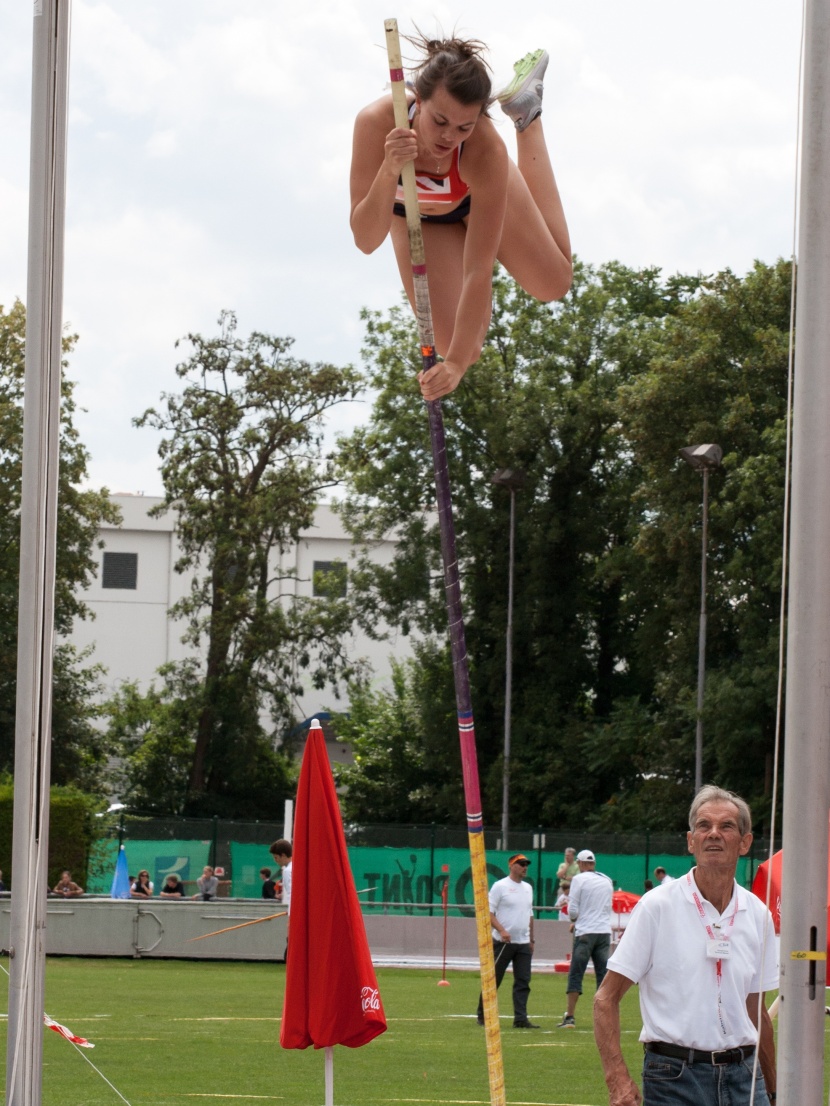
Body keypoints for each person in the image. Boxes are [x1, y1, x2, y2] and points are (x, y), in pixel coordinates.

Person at [350, 34, 571, 402]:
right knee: (464, 347)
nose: (449, 137)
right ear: (418, 100)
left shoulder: (484, 149)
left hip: (471, 199)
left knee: (553, 284)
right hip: (415, 218)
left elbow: (477, 270)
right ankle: (468, 341)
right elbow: (365, 240)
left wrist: (454, 367)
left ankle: (527, 116)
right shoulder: (376, 124)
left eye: (463, 127)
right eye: (440, 121)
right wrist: (389, 170)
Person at [594, 785, 778, 1106]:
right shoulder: (657, 907)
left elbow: (756, 1011)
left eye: (726, 826)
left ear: (745, 843)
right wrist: (617, 1080)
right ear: (691, 840)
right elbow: (605, 1000)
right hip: (675, 1077)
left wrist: (774, 1090)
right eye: (704, 826)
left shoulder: (758, 914)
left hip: (745, 1079)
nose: (714, 834)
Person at [475, 853, 539, 1029]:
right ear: (511, 866)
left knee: (523, 981)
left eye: (526, 864)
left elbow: (530, 914)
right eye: (521, 864)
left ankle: (520, 1019)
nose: (525, 867)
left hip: (523, 942)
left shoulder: (528, 888)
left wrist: (531, 939)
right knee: (494, 979)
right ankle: (482, 1013)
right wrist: (501, 930)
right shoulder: (500, 886)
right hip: (503, 942)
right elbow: (488, 913)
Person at [558, 849, 613, 1028]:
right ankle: (603, 1018)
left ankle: (570, 1017)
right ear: (593, 863)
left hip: (585, 933)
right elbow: (606, 908)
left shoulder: (579, 880)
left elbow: (573, 910)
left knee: (576, 974)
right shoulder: (607, 880)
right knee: (603, 976)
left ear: (580, 864)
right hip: (604, 932)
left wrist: (575, 920)